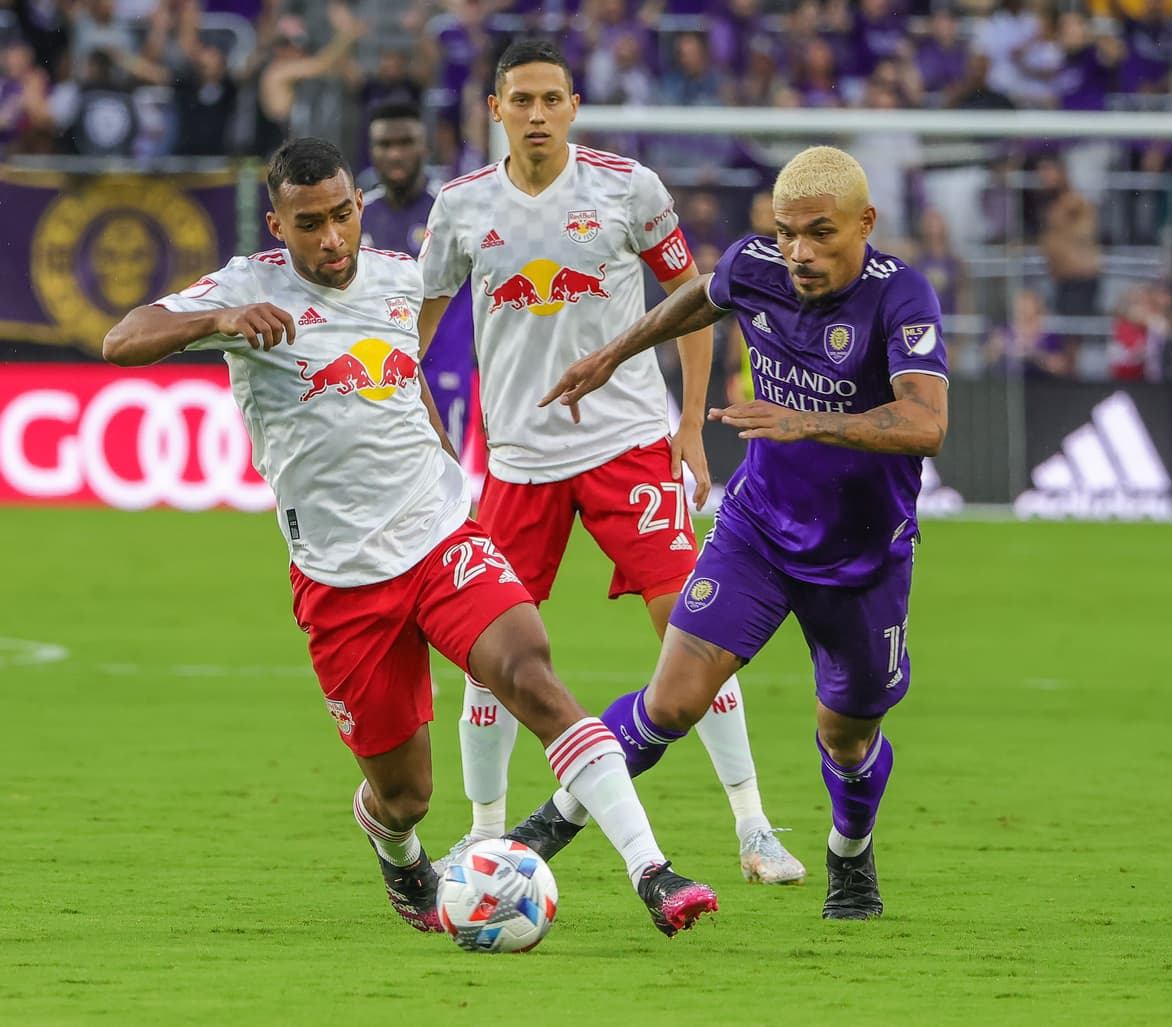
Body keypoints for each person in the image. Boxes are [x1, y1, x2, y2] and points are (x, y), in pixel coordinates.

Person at [100, 136, 716, 938]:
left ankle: (652, 871)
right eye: (310, 222)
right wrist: (217, 318)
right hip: (341, 577)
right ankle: (399, 853)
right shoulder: (248, 285)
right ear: (277, 223)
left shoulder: (398, 276)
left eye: (343, 215)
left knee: (530, 672)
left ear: (360, 206)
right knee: (405, 794)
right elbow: (121, 341)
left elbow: (405, 373)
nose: (331, 238)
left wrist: (443, 470)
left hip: (438, 541)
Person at [418, 39, 803, 886]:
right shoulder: (461, 208)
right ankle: (485, 837)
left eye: (552, 98)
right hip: (518, 462)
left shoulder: (629, 189)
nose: (538, 114)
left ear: (575, 105)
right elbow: (414, 326)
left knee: (693, 630)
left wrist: (692, 427)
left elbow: (697, 303)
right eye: (521, 100)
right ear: (496, 110)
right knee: (492, 654)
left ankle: (753, 824)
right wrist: (419, 420)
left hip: (627, 446)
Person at [534, 145, 950, 920]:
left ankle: (849, 854)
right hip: (757, 531)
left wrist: (803, 422)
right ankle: (549, 824)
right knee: (673, 699)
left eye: (820, 233)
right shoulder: (759, 265)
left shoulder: (903, 298)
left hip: (862, 556)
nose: (799, 252)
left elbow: (927, 423)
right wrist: (614, 351)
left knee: (849, 737)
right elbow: (701, 296)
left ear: (866, 223)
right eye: (787, 232)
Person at [360, 102, 475, 458]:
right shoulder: (359, 217)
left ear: (425, 147)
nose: (395, 154)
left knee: (445, 482)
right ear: (372, 151)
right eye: (384, 144)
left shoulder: (452, 209)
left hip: (443, 367)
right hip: (377, 373)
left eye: (406, 142)